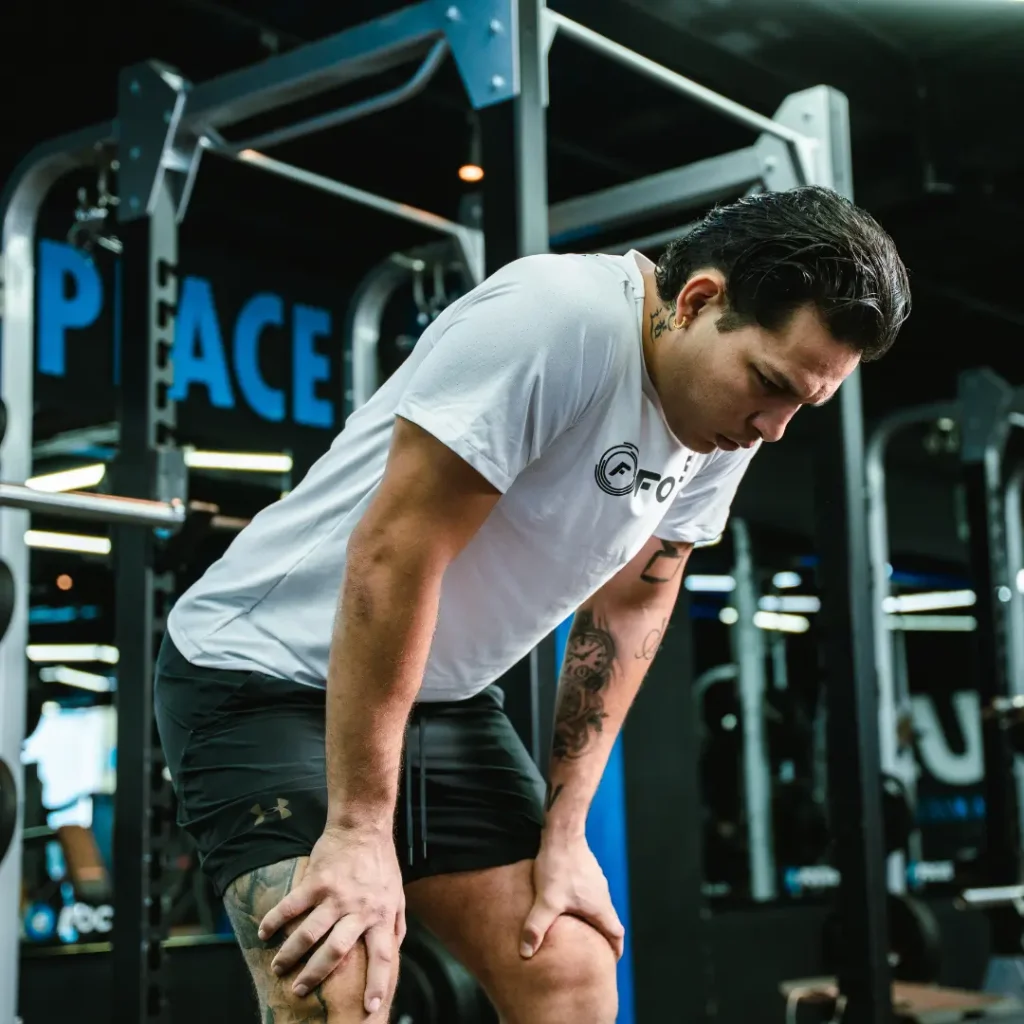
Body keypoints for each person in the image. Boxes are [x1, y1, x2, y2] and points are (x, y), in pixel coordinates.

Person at [154, 184, 910, 1023]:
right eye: (770, 384)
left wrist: (567, 828)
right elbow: (395, 556)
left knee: (572, 971)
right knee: (338, 984)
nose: (774, 428)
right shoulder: (558, 321)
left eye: (802, 404)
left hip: (441, 698)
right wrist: (360, 829)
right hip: (262, 674)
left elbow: (630, 608)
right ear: (699, 301)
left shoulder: (723, 421)